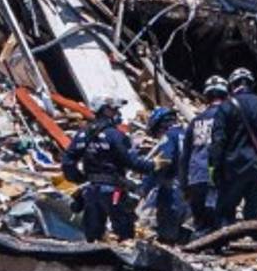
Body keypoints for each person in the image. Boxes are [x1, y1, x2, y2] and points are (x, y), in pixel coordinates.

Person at [62, 97, 156, 242]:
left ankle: (93, 260)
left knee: (93, 234)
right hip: (113, 190)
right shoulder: (115, 135)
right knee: (124, 232)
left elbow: (68, 161)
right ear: (105, 110)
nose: (118, 114)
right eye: (115, 110)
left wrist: (79, 178)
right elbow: (130, 161)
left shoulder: (83, 134)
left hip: (90, 190)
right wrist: (153, 166)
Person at [210, 67, 257, 226]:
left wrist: (214, 168)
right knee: (254, 215)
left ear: (232, 86)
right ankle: (252, 245)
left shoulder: (226, 107)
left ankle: (224, 246)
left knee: (225, 213)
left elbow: (218, 141)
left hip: (233, 168)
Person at [180, 75, 228, 235]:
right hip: (216, 175)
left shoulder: (196, 121)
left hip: (196, 175)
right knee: (217, 223)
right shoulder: (229, 117)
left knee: (200, 223)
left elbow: (185, 154)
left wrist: (184, 183)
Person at [142, 107, 189, 244]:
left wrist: (145, 187)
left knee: (166, 238)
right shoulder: (188, 133)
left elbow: (163, 163)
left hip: (172, 191)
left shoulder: (169, 136)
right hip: (192, 189)